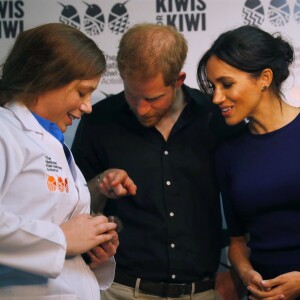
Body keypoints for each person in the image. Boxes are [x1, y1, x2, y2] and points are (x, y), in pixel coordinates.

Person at [72, 23, 245, 300]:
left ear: (178, 80)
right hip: (119, 290)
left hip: (202, 290)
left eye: (153, 98)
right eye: (132, 95)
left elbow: (248, 200)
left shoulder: (215, 119)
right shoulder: (99, 120)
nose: (141, 108)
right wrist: (100, 184)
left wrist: (239, 273)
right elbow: (72, 208)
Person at [0, 23, 119, 299]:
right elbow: (59, 238)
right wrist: (62, 239)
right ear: (46, 78)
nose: (88, 106)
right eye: (81, 92)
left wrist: (91, 247)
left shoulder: (52, 142)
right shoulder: (5, 132)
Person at [197, 24, 300, 300]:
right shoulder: (229, 153)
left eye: (226, 84)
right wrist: (246, 276)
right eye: (212, 86)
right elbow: (237, 243)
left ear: (264, 78)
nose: (217, 98)